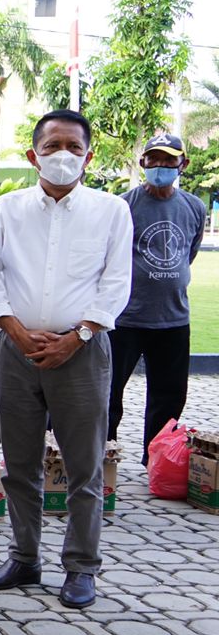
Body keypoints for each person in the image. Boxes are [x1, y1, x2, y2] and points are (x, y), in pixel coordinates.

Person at [0, 110, 131, 610]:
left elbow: (116, 283)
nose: (62, 156)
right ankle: (24, 557)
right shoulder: (6, 211)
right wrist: (16, 334)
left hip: (81, 353)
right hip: (15, 352)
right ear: (32, 154)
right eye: (52, 146)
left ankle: (81, 567)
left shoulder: (110, 211)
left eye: (73, 147)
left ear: (89, 155)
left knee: (84, 468)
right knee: (19, 465)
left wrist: (78, 336)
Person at [109, 133, 206, 463]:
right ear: (143, 163)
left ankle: (157, 461)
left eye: (169, 160)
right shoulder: (124, 205)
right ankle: (102, 458)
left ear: (183, 164)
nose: (161, 166)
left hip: (173, 319)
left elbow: (186, 254)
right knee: (108, 393)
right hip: (125, 319)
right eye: (154, 160)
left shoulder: (194, 207)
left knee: (169, 397)